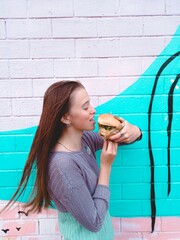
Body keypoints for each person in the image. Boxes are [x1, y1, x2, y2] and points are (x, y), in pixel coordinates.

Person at [4, 81, 142, 240]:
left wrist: (133, 130)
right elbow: (95, 222)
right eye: (85, 107)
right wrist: (106, 166)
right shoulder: (62, 166)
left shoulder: (85, 141)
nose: (93, 110)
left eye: (90, 104)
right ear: (65, 117)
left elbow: (126, 138)